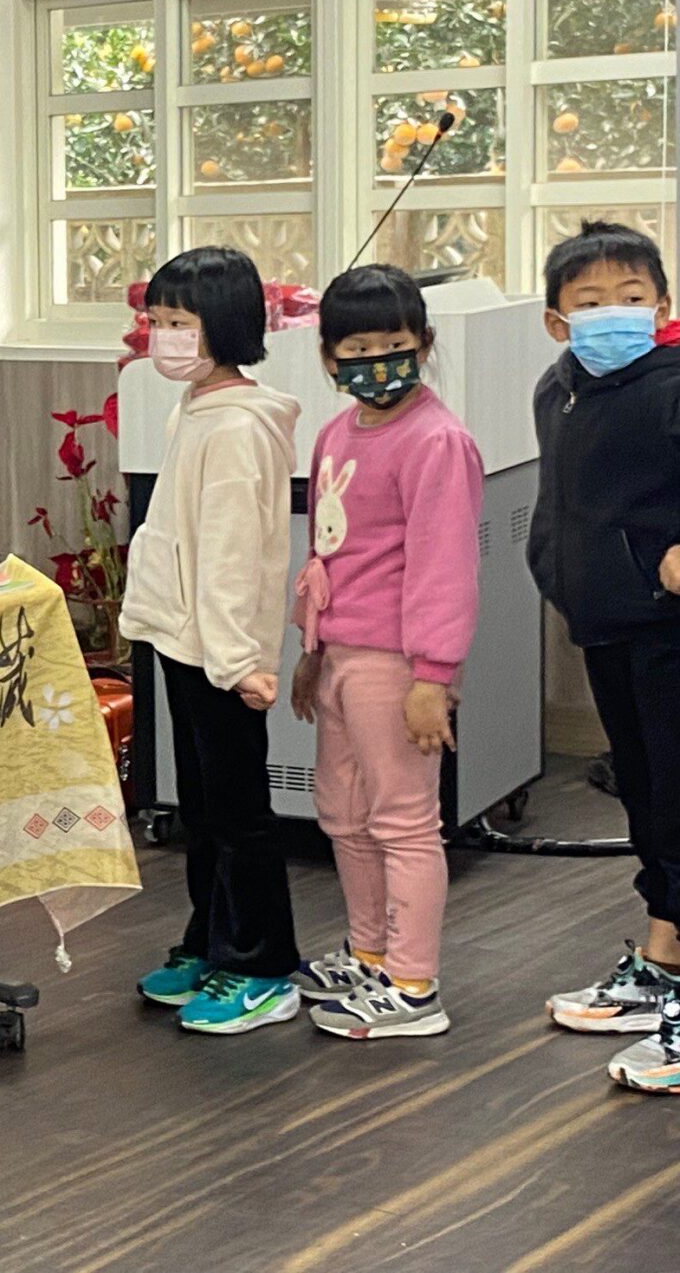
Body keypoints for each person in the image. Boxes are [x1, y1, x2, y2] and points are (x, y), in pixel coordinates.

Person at [288, 265, 481, 1040]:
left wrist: (432, 676)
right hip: (338, 654)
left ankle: (413, 982)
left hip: (394, 661)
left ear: (423, 344)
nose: (377, 362)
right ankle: (369, 952)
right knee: (344, 812)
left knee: (402, 821)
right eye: (358, 349)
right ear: (329, 357)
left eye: (393, 344)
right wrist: (311, 649)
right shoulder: (336, 433)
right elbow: (325, 554)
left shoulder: (438, 441)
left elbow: (445, 567)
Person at [121, 247, 303, 1035]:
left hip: (219, 654)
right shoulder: (195, 407)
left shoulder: (236, 427)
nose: (162, 336)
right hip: (181, 637)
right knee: (202, 806)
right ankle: (211, 939)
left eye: (179, 322)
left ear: (224, 326)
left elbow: (231, 557)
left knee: (238, 814)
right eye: (157, 320)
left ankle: (262, 965)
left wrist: (238, 661)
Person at [526, 221, 680, 1095]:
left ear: (662, 304)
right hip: (606, 619)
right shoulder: (558, 388)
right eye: (591, 301)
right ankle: (663, 960)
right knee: (648, 797)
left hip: (669, 624)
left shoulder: (672, 384)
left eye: (632, 297)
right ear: (557, 319)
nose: (614, 313)